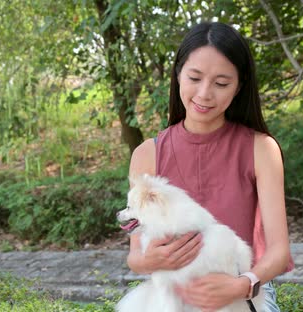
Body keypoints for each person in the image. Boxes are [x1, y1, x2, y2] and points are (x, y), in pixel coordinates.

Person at [126, 21, 294, 311]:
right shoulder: (147, 154)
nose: (204, 94)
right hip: (172, 299)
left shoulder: (261, 149)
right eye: (194, 78)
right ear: (178, 74)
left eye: (221, 83)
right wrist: (149, 260)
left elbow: (279, 252)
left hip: (242, 293)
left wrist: (242, 285)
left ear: (239, 86)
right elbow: (135, 257)